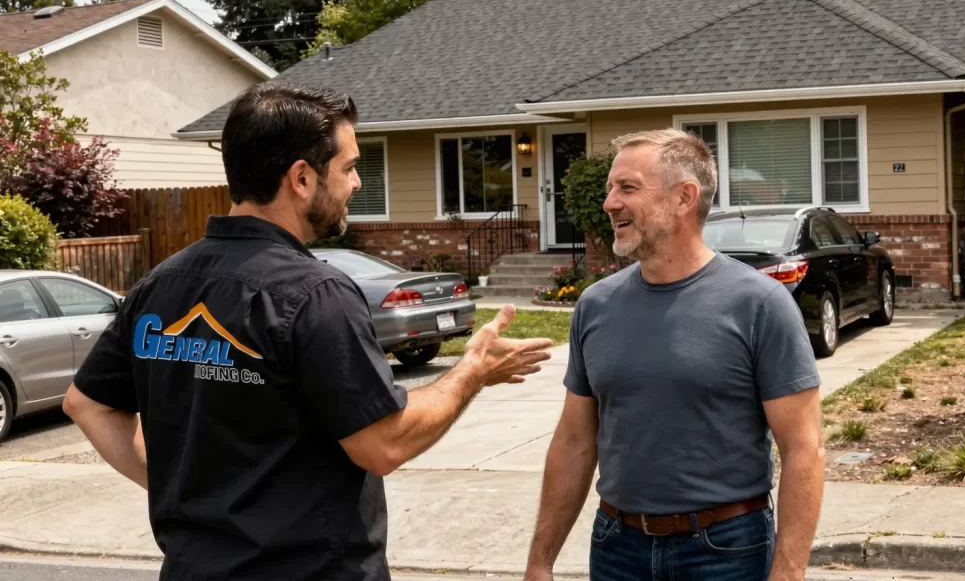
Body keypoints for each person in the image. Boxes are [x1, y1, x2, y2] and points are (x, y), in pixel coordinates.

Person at [62, 82, 553, 581]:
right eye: (348, 167)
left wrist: (188, 495)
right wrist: (473, 370)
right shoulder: (316, 295)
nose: (356, 183)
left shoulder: (159, 285)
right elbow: (383, 443)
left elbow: (87, 404)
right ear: (301, 178)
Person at [523, 128, 824, 581]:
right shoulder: (596, 305)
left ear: (685, 197)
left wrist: (788, 572)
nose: (609, 203)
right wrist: (540, 561)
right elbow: (573, 442)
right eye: (610, 188)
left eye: (628, 188)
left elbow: (804, 448)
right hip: (616, 548)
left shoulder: (759, 303)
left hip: (726, 551)